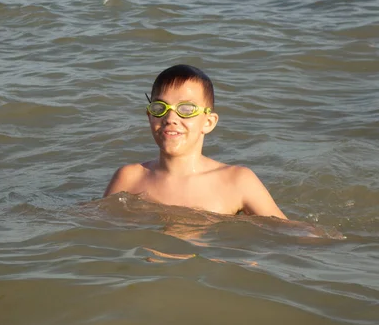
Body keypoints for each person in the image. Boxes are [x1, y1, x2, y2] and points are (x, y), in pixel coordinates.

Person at [103, 64, 287, 219]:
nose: (170, 118)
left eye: (186, 109)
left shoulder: (237, 181)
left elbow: (287, 232)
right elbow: (98, 232)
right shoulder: (130, 177)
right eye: (160, 108)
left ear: (208, 122)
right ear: (149, 116)